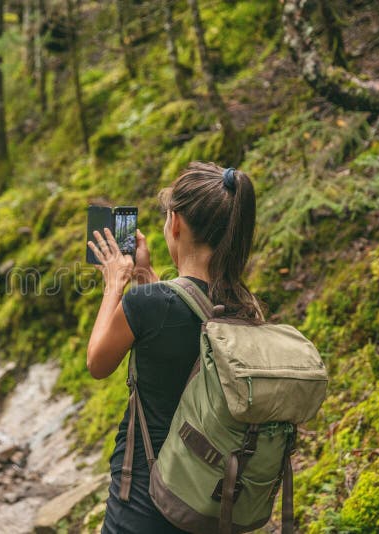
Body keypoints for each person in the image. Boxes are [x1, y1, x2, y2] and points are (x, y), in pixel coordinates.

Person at [86, 161, 264, 534]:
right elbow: (177, 326)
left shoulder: (149, 304)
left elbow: (98, 362)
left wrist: (115, 283)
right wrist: (148, 279)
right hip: (210, 506)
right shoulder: (246, 310)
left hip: (142, 504)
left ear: (176, 222)